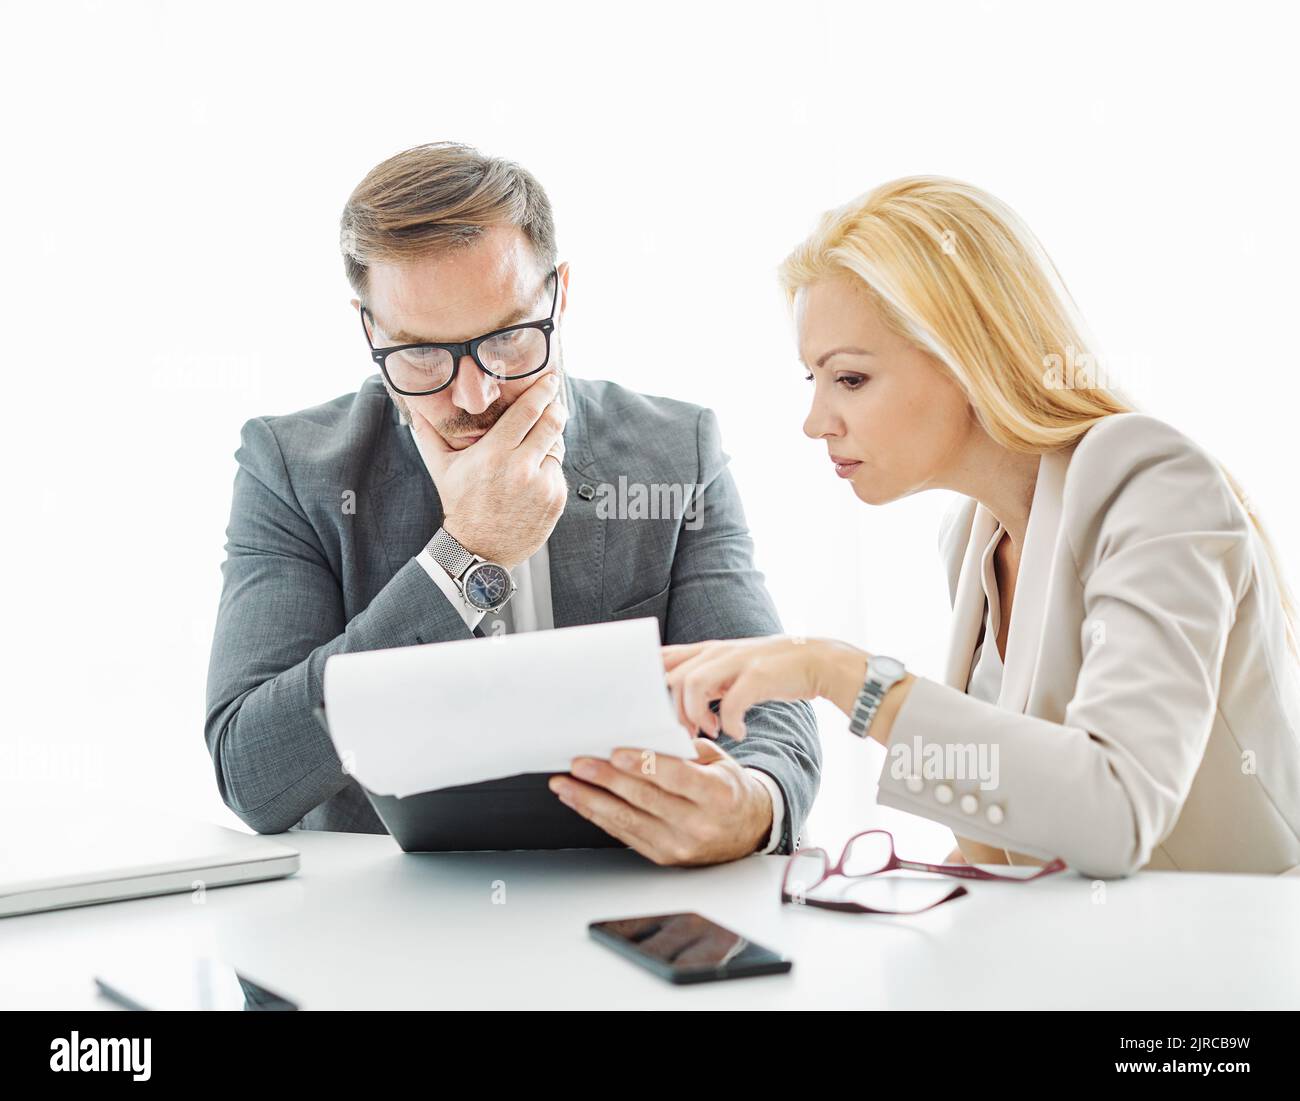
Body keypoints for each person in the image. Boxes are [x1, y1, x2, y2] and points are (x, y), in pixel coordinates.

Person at [663, 176, 1300, 878]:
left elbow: (1115, 814)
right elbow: (1019, 813)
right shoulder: (972, 539)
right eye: (812, 379)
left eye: (848, 379)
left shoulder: (1148, 480)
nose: (816, 421)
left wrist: (836, 671)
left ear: (967, 357)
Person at [204, 142, 820, 865]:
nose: (475, 394)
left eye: (508, 338)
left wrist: (752, 804)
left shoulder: (674, 451)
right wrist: (466, 556)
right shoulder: (293, 469)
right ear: (370, 329)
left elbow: (773, 708)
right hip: (380, 935)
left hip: (626, 911)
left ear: (558, 292)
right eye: (422, 355)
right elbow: (253, 773)